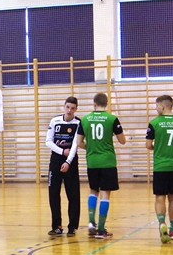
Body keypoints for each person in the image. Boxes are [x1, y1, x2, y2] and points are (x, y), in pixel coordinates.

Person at [76, 92, 125, 240]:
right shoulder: (112, 119)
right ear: (107, 104)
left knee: (93, 191)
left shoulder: (85, 120)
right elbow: (122, 141)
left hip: (92, 161)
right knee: (105, 194)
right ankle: (101, 230)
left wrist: (92, 147)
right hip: (107, 161)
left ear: (94, 104)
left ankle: (91, 222)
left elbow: (79, 143)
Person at [145, 95, 173, 244]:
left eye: (156, 106)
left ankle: (161, 223)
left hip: (160, 165)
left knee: (160, 197)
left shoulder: (154, 123)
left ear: (163, 107)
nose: (155, 108)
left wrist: (159, 148)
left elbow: (148, 145)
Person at [45, 97, 81, 236]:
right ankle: (57, 226)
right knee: (53, 193)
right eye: (67, 107)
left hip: (71, 161)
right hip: (55, 160)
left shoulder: (78, 123)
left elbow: (75, 144)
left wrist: (68, 161)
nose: (69, 110)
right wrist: (61, 152)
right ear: (64, 107)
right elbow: (48, 141)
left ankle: (72, 227)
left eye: (72, 108)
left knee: (73, 195)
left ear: (76, 109)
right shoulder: (55, 121)